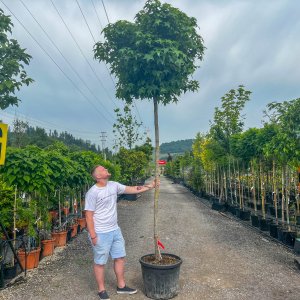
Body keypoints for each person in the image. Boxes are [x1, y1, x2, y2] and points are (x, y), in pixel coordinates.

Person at [85, 165, 159, 300]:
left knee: (120, 257)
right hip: (101, 233)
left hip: (115, 230)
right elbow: (89, 215)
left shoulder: (113, 185)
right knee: (100, 262)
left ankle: (121, 286)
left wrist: (150, 186)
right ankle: (101, 290)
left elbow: (132, 189)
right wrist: (93, 235)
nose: (105, 169)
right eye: (102, 169)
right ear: (97, 176)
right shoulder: (93, 192)